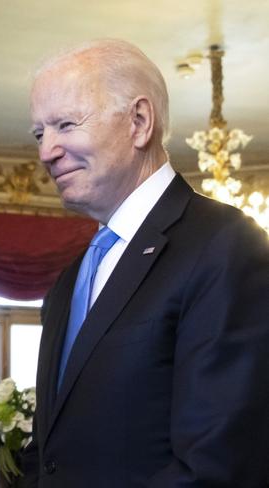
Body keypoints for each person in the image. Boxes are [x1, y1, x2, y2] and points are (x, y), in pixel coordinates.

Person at [21, 39, 269, 487]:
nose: (46, 152)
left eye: (65, 125)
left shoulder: (224, 245)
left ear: (138, 122)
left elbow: (218, 463)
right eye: (41, 133)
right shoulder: (70, 280)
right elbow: (48, 449)